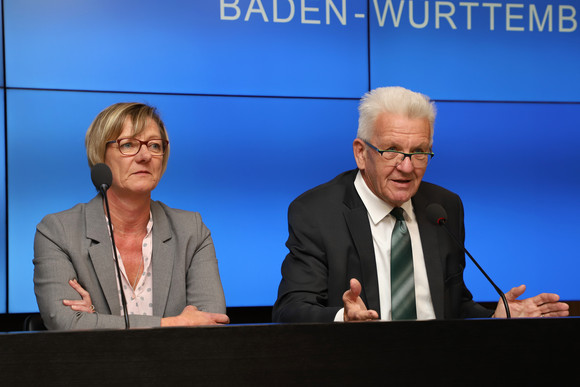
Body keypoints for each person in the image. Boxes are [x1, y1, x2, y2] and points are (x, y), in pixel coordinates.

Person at [272, 86, 569, 323]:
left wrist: (494, 317)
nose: (407, 166)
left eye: (420, 152)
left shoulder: (443, 207)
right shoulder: (317, 211)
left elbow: (453, 305)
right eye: (392, 150)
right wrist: (343, 319)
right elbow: (290, 309)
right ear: (361, 153)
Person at [34, 102, 229, 330]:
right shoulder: (59, 231)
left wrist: (97, 319)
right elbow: (67, 324)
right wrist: (174, 323)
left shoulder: (191, 230)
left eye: (155, 146)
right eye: (128, 144)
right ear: (100, 155)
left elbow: (211, 324)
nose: (145, 155)